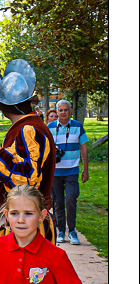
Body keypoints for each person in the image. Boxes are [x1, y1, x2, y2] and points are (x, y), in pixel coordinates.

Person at [0, 59, 57, 244]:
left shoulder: (29, 129)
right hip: (22, 223)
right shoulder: (24, 126)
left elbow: (27, 180)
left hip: (30, 227)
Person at [47, 99, 90, 246]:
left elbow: (83, 147)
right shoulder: (50, 127)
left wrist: (85, 169)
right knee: (58, 202)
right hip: (55, 172)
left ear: (70, 111)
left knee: (71, 199)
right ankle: (60, 231)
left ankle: (72, 231)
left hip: (72, 170)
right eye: (61, 110)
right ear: (57, 111)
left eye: (66, 110)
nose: (63, 112)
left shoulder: (77, 126)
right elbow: (44, 148)